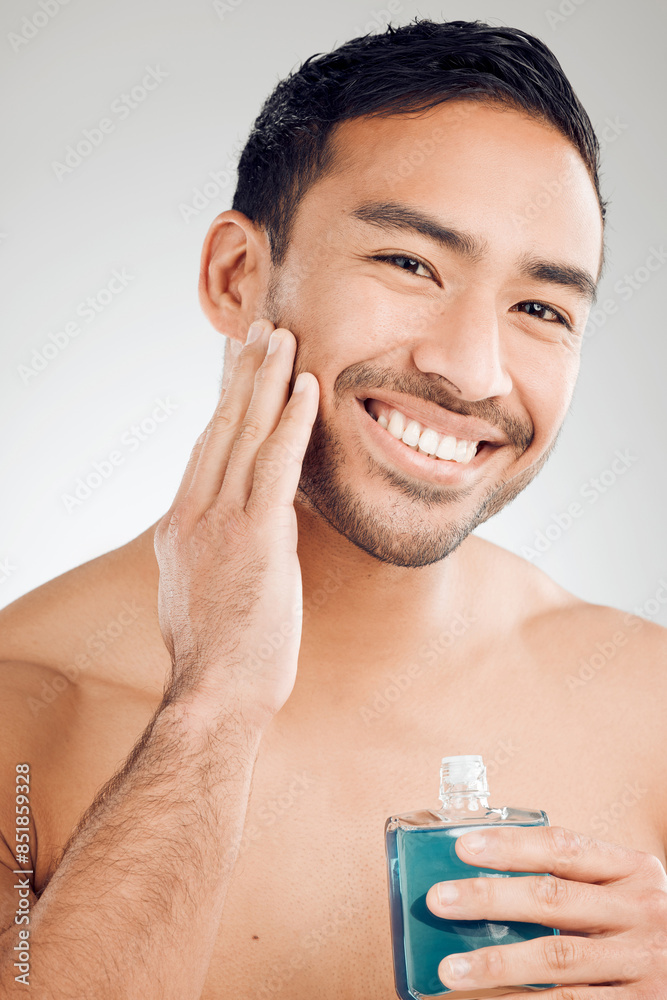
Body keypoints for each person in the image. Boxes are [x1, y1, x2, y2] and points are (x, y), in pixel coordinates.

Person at [1, 17, 665, 999]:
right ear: (238, 277)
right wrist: (213, 704)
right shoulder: (23, 714)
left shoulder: (648, 703)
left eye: (542, 308)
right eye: (408, 262)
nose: (470, 369)